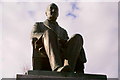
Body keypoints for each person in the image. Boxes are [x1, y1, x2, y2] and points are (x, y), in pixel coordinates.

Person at [31, 3, 87, 73]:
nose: (53, 11)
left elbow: (68, 44)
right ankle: (57, 67)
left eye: (56, 10)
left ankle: (69, 68)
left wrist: (62, 41)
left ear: (58, 14)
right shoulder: (39, 25)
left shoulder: (63, 31)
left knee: (77, 37)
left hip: (62, 52)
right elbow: (33, 34)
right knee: (48, 33)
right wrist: (47, 36)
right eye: (51, 9)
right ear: (46, 13)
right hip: (44, 50)